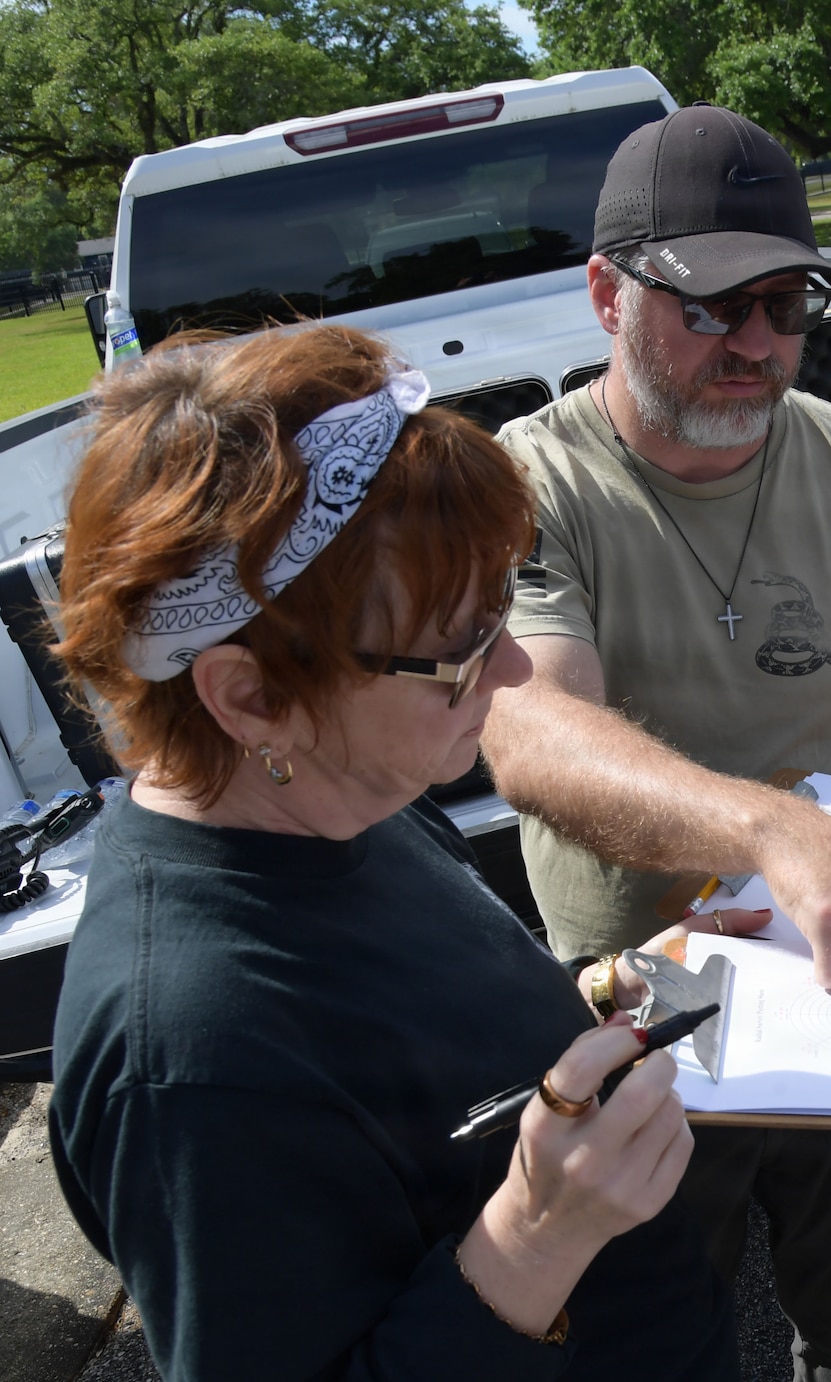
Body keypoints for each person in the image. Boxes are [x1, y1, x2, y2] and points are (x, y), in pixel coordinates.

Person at [46, 324, 734, 1381]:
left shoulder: (344, 793)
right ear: (252, 694)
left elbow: (407, 1052)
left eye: (505, 604)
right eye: (458, 648)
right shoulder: (191, 1062)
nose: (511, 673)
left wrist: (601, 988)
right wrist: (536, 1234)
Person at [479, 104, 831, 1382]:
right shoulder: (528, 484)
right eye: (711, 307)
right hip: (641, 994)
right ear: (606, 292)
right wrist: (778, 831)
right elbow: (535, 733)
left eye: (786, 305)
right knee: (654, 1326)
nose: (759, 344)